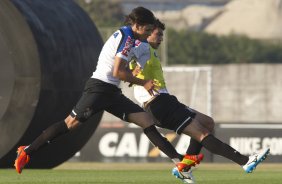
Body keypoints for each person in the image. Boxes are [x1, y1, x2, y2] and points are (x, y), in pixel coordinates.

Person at [14, 7, 202, 174]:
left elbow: (120, 69)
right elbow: (117, 71)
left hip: (111, 92)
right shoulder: (128, 38)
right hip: (99, 89)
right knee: (69, 124)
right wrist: (142, 81)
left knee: (146, 120)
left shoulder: (129, 36)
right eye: (147, 30)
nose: (148, 34)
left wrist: (132, 73)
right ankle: (27, 151)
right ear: (137, 25)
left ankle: (178, 160)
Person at [130, 19, 270, 183]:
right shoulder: (143, 48)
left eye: (162, 35)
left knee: (207, 123)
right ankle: (245, 161)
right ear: (147, 33)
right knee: (202, 134)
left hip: (166, 101)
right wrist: (133, 71)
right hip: (158, 104)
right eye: (158, 34)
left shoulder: (149, 51)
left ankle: (185, 169)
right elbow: (132, 64)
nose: (161, 38)